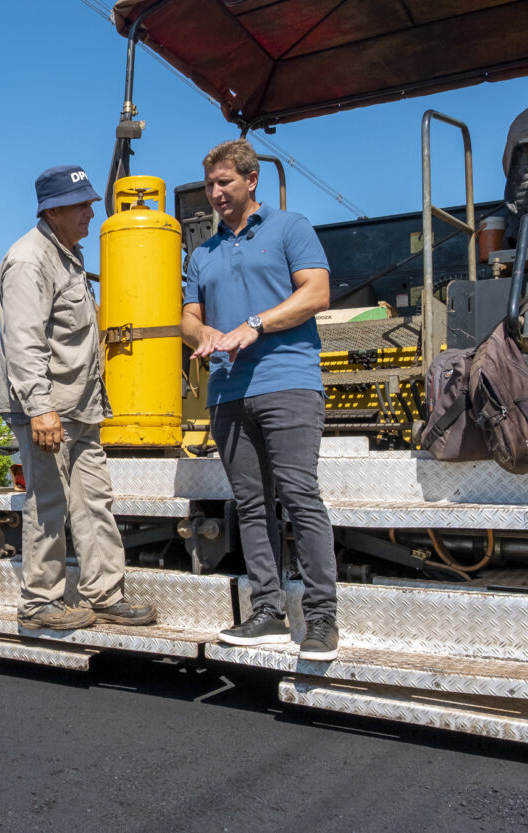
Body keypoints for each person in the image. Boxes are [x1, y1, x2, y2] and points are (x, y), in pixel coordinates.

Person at [180, 139, 338, 661]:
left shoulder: (291, 228)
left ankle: (320, 619)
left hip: (288, 381)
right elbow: (188, 317)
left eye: (224, 182)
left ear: (251, 181)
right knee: (250, 505)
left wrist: (255, 325)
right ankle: (267, 611)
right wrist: (199, 334)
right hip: (227, 392)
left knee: (298, 496)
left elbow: (315, 294)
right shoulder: (201, 253)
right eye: (209, 185)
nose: (215, 193)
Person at [0, 164, 157, 631]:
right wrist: (41, 408)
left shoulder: (69, 256)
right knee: (49, 501)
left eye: (90, 201)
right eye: (82, 204)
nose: (92, 211)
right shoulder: (30, 260)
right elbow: (23, 341)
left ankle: (104, 594)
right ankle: (38, 603)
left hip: (82, 407)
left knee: (94, 502)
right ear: (53, 209)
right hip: (46, 408)